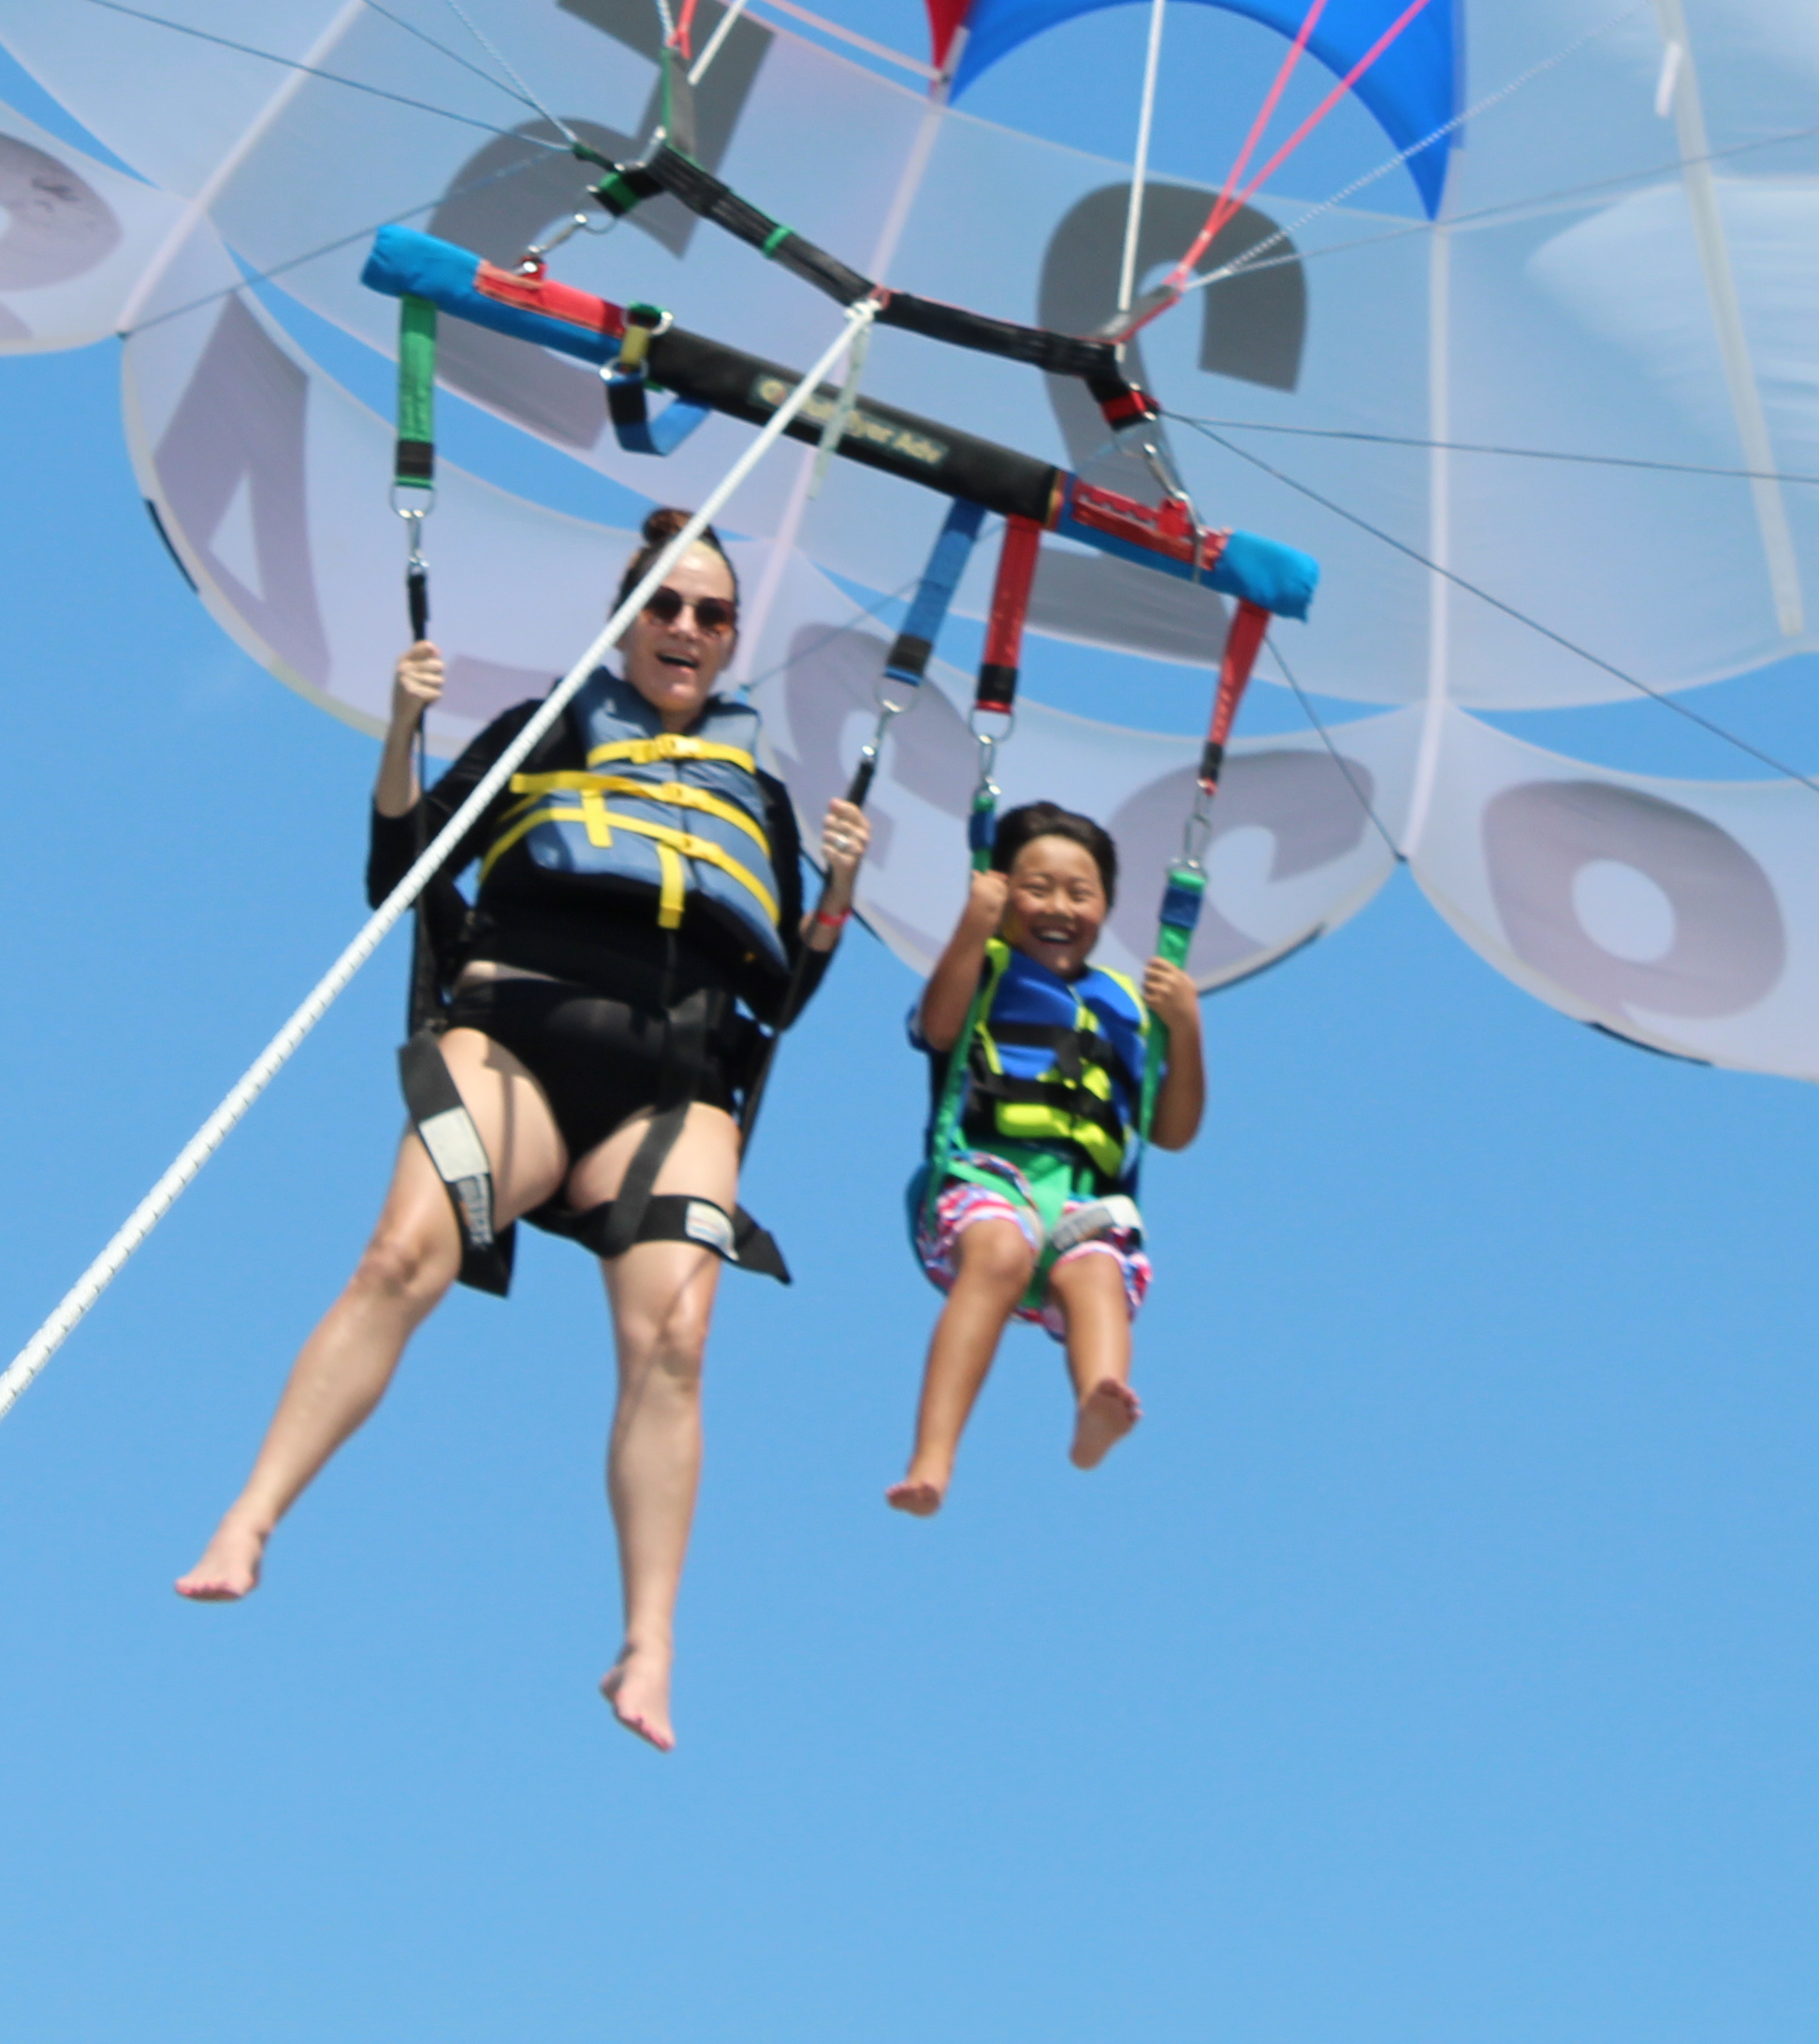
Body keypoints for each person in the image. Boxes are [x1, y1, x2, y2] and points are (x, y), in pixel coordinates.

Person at [175, 506, 870, 1753]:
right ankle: (252, 1516)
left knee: (675, 1343)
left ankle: (649, 1644)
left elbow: (781, 1002)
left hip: (672, 1085)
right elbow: (400, 871)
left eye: (712, 615)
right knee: (402, 1259)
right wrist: (399, 729)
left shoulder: (760, 797)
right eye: (665, 603)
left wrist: (839, 902)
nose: (687, 629)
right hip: (519, 1043)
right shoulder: (544, 730)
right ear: (627, 615)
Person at [884, 800, 1207, 1516]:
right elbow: (939, 1028)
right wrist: (974, 924)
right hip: (981, 1177)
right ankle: (932, 1458)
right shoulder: (986, 967)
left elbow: (1174, 1129)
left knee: (1094, 1269)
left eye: (1080, 893)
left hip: (1079, 1198)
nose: (1058, 907)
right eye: (1037, 888)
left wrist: (1185, 1029)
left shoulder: (1124, 1004)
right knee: (1000, 1251)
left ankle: (1099, 1403)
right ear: (1001, 889)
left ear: (1106, 907)